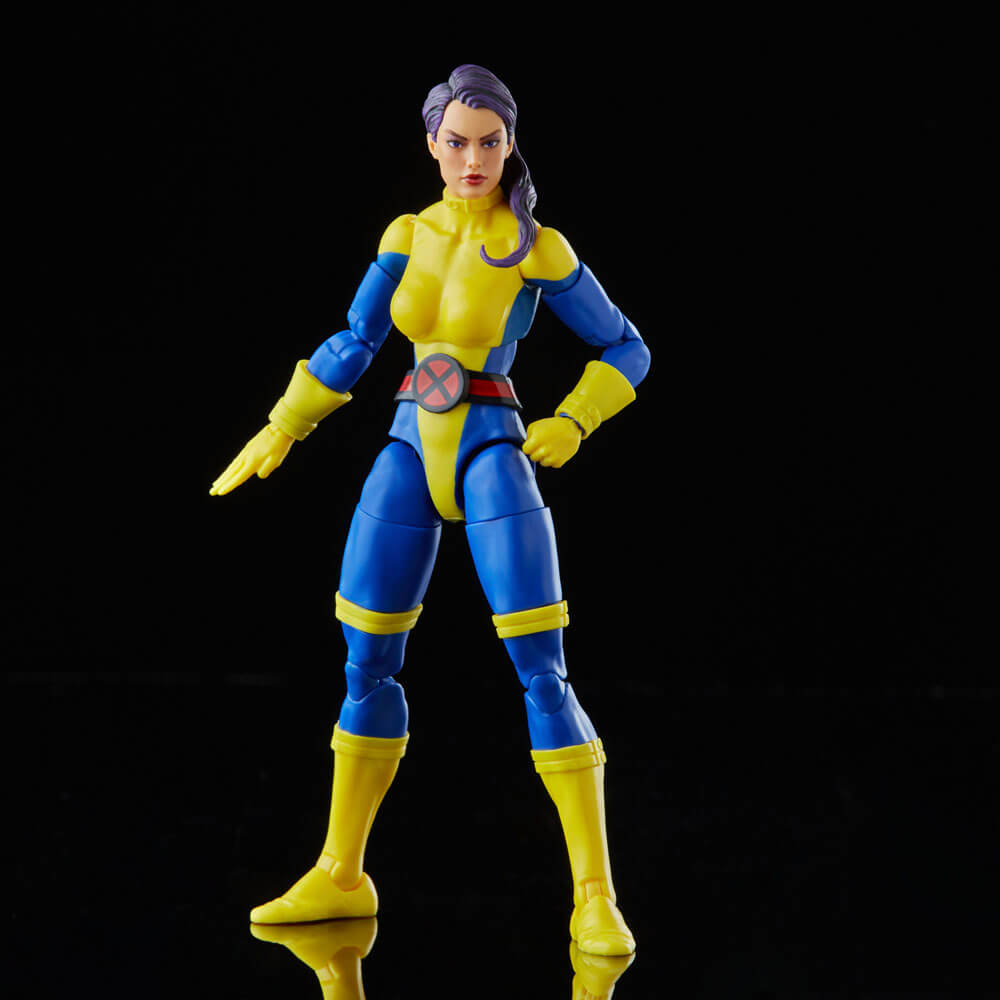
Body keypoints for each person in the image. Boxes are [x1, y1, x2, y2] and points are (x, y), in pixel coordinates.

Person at [211, 64, 649, 957]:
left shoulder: (534, 247)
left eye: (490, 142)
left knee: (542, 672)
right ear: (432, 145)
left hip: (492, 450)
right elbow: (357, 338)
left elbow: (626, 346)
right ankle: (341, 871)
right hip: (410, 444)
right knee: (365, 662)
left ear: (511, 144)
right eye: (457, 142)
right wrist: (282, 424)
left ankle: (595, 895)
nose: (474, 158)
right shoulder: (407, 234)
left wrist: (574, 418)